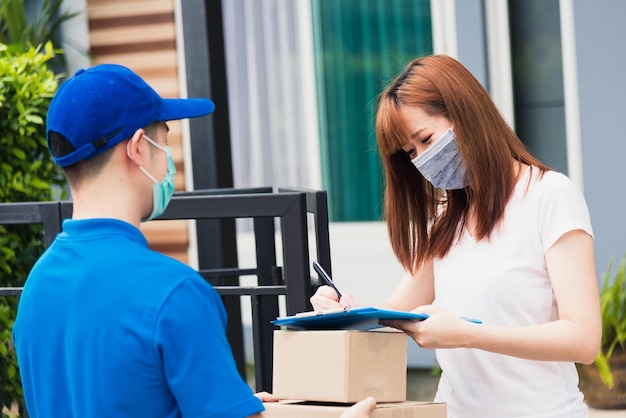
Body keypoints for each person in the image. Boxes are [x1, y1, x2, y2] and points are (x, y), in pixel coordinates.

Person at [12, 64, 376, 418]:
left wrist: (229, 402)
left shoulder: (36, 288)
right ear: (138, 148)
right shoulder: (174, 292)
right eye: (164, 140)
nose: (168, 159)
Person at [311, 55, 601, 418]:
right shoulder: (446, 218)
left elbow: (584, 339)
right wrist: (342, 314)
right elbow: (393, 319)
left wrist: (468, 334)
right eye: (411, 152)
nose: (422, 160)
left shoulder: (549, 195)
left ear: (464, 113)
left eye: (426, 139)